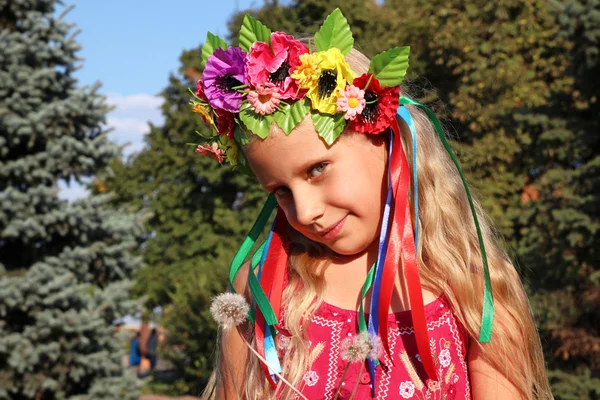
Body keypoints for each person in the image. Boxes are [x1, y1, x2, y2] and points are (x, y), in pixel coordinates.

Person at [193, 8, 553, 400]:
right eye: (280, 190)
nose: (305, 211)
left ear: (383, 138)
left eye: (317, 169)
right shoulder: (262, 287)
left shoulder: (475, 291)